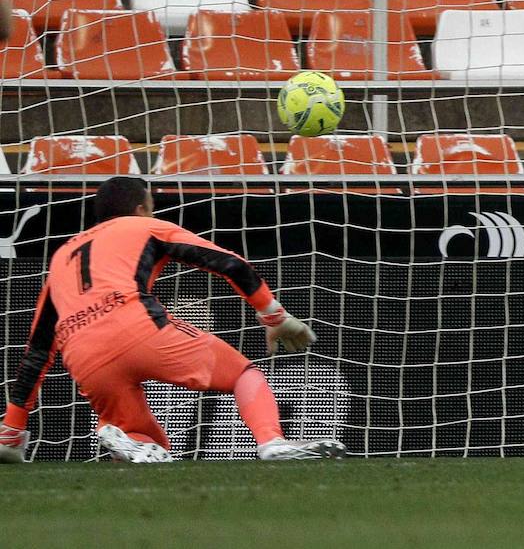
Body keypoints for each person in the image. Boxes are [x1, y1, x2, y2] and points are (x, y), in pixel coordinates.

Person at [0, 177, 345, 463]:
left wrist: (13, 428)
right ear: (141, 207)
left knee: (153, 447)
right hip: (136, 326)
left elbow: (38, 351)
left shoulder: (61, 257)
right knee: (244, 373)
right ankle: (272, 442)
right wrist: (274, 315)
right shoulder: (145, 226)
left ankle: (130, 442)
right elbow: (228, 262)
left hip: (84, 357)